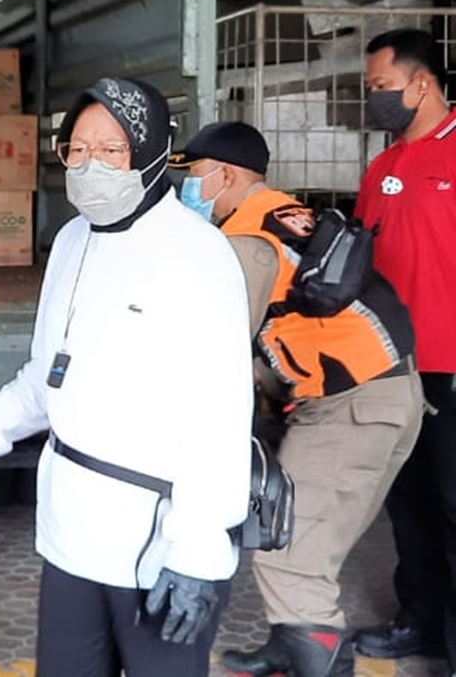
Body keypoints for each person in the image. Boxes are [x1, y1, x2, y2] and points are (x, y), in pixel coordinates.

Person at [0, 78, 255, 675]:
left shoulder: (198, 255)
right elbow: (49, 376)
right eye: (76, 150)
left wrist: (198, 552)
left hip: (160, 544)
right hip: (72, 535)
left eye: (112, 151)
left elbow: (221, 417)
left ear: (154, 148)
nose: (89, 166)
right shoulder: (72, 241)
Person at [171, 120, 423, 677]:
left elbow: (217, 343)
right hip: (381, 396)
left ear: (225, 176)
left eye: (192, 177)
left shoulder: (248, 243)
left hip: (351, 408)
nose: (187, 190)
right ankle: (291, 643)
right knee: (306, 538)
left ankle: (318, 659)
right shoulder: (284, 215)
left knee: (291, 554)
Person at [351, 28, 456, 668]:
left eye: (382, 88)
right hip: (392, 366)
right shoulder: (383, 165)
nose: (375, 100)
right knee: (408, 504)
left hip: (451, 365)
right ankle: (419, 619)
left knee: (452, 503)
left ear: (422, 83)